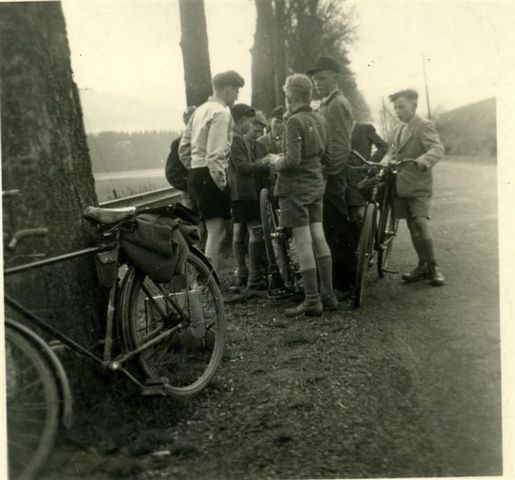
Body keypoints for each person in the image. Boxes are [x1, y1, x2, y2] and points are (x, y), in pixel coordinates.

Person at [268, 74, 338, 317]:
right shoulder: (320, 119)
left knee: (302, 241)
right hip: (315, 185)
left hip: (294, 189)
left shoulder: (293, 122)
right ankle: (328, 295)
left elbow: (291, 161)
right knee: (318, 236)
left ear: (290, 95)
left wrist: (274, 161)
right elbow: (327, 157)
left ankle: (311, 299)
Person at [179, 70, 244, 271]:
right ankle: (209, 284)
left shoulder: (199, 111)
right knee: (217, 233)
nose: (237, 97)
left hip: (197, 173)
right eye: (236, 91)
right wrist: (222, 184)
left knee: (211, 231)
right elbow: (215, 154)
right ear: (227, 89)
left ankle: (206, 281)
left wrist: (195, 169)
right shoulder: (221, 113)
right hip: (211, 174)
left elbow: (183, 149)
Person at [381, 88, 445, 286]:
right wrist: (385, 161)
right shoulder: (399, 128)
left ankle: (433, 266)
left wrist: (424, 160)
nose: (398, 111)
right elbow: (391, 152)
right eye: (396, 108)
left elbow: (437, 148)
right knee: (411, 225)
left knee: (420, 222)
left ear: (414, 105)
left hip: (418, 183)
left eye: (402, 107)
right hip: (401, 185)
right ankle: (422, 264)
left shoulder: (423, 125)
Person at [307, 56, 355, 297]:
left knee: (337, 226)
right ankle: (336, 279)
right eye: (315, 80)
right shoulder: (326, 103)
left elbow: (340, 146)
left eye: (323, 78)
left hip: (333, 177)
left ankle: (345, 283)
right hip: (326, 175)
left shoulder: (337, 104)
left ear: (335, 78)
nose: (318, 83)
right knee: (328, 226)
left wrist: (329, 174)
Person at [227, 104, 269, 295]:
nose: (252, 127)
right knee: (254, 232)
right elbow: (242, 166)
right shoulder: (236, 139)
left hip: (240, 192)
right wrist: (262, 163)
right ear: (242, 121)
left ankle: (244, 274)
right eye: (250, 123)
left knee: (240, 231)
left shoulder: (237, 138)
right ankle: (253, 278)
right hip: (245, 192)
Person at [348, 122, 388, 224]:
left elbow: (383, 146)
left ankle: (365, 236)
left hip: (359, 173)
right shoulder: (336, 130)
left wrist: (370, 162)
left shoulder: (365, 128)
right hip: (341, 173)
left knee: (359, 213)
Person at [165, 106, 197, 209]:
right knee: (194, 221)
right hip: (191, 194)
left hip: (202, 191)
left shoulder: (202, 140)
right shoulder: (179, 143)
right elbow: (172, 173)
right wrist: (190, 185)